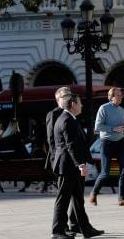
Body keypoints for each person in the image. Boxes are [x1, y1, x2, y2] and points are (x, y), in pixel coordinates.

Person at [51, 93, 104, 239]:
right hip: (68, 166)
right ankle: (57, 232)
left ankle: (86, 229)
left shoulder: (69, 119)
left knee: (77, 200)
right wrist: (81, 164)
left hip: (70, 165)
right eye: (80, 103)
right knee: (63, 199)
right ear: (73, 104)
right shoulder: (67, 120)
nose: (82, 106)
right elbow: (71, 145)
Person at [89, 87, 124, 207]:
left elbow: (123, 125)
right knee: (105, 173)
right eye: (118, 95)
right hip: (107, 142)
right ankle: (93, 193)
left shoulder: (122, 110)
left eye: (121, 95)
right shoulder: (103, 108)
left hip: (120, 142)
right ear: (111, 97)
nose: (121, 97)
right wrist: (113, 129)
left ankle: (122, 198)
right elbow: (97, 127)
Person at [45, 87, 79, 232]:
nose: (68, 97)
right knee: (64, 195)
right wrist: (55, 161)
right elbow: (52, 140)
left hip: (73, 160)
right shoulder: (54, 114)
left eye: (69, 95)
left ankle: (75, 223)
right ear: (57, 98)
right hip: (61, 160)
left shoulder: (71, 112)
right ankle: (62, 225)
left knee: (76, 194)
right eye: (65, 95)